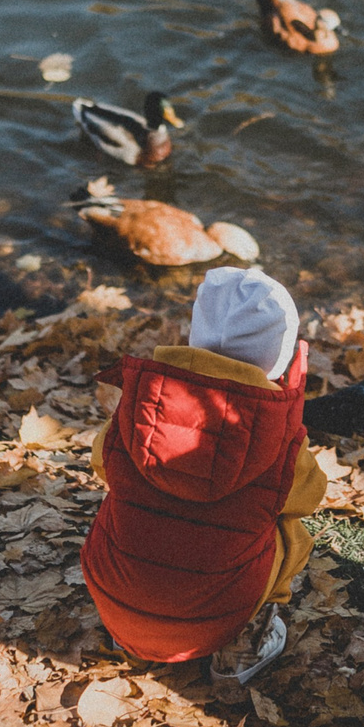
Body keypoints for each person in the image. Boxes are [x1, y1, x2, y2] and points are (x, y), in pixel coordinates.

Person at [80, 267, 327, 682]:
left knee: (126, 501)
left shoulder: (140, 406)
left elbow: (101, 461)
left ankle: (134, 634)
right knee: (290, 533)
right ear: (280, 356)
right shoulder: (278, 434)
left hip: (118, 601)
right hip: (215, 617)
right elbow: (311, 494)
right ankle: (241, 651)